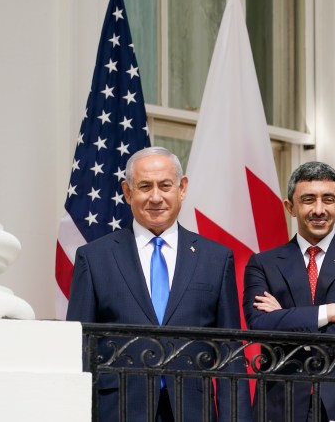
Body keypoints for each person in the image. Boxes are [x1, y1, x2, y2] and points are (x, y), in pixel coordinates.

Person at [66, 146, 251, 422]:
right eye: (144, 187)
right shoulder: (94, 258)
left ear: (182, 188)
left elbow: (229, 353)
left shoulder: (215, 258)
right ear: (128, 192)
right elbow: (79, 350)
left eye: (165, 185)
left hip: (193, 411)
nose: (155, 197)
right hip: (118, 410)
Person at [243, 161, 335, 422]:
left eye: (328, 199)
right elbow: (259, 325)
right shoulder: (263, 263)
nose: (319, 210)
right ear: (290, 206)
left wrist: (287, 318)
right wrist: (329, 312)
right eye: (308, 200)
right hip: (283, 403)